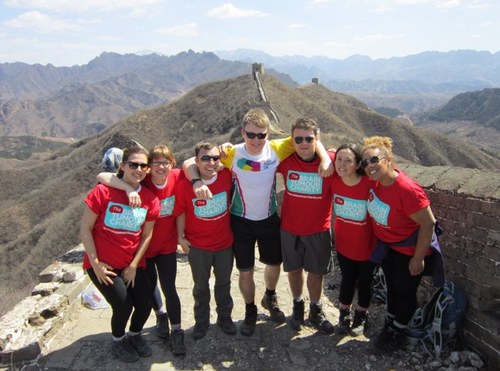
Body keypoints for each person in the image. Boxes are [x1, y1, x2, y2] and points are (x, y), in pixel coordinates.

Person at [184, 108, 333, 337]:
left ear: (268, 134)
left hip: (269, 219)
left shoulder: (277, 148)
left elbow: (313, 140)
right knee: (246, 272)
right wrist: (195, 182)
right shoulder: (231, 153)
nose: (256, 140)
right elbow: (189, 162)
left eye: (261, 135)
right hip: (240, 220)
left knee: (274, 265)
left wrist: (323, 158)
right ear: (242, 133)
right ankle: (250, 310)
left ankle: (270, 297)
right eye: (251, 134)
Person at [97, 145, 186, 355]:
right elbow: (103, 176)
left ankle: (177, 330)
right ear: (149, 167)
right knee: (149, 287)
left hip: (166, 246)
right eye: (155, 163)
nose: (160, 167)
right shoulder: (143, 180)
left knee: (169, 287)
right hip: (143, 250)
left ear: (172, 164)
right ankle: (160, 315)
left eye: (165, 162)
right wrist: (128, 189)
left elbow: (192, 166)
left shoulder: (177, 177)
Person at [361, 136, 441, 351]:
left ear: (388, 160)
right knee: (393, 288)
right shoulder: (376, 182)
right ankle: (391, 322)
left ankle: (397, 332)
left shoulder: (406, 189)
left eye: (374, 160)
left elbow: (428, 223)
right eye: (365, 162)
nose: (369, 166)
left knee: (405, 291)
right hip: (389, 247)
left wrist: (418, 258)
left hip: (408, 250)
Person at [80, 146, 160, 363]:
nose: (139, 169)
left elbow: (146, 236)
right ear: (123, 166)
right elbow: (85, 229)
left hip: (131, 263)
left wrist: (133, 265)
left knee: (144, 304)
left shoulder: (150, 199)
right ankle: (118, 340)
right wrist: (95, 264)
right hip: (102, 264)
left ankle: (134, 335)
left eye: (143, 165)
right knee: (123, 305)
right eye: (133, 164)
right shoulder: (102, 192)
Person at [277, 118, 335, 334]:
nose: (303, 143)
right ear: (291, 141)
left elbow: (357, 166)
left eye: (309, 139)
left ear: (316, 139)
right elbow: (254, 159)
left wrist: (326, 158)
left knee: (316, 272)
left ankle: (315, 308)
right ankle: (297, 304)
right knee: (293, 270)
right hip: (290, 228)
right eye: (298, 139)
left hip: (318, 229)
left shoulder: (331, 162)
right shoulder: (285, 160)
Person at [175, 142, 236, 340]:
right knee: (200, 286)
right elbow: (181, 212)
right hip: (198, 246)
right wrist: (180, 237)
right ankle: (201, 322)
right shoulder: (186, 185)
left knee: (224, 284)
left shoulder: (227, 175)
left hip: (224, 244)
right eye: (205, 158)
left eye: (215, 158)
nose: (211, 163)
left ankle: (224, 317)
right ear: (196, 161)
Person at [331, 143, 376, 336]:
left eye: (348, 160)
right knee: (347, 279)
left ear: (358, 164)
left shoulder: (370, 185)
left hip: (367, 246)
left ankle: (361, 316)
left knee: (365, 281)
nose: (342, 164)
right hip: (344, 244)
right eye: (339, 159)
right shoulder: (334, 182)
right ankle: (344, 314)